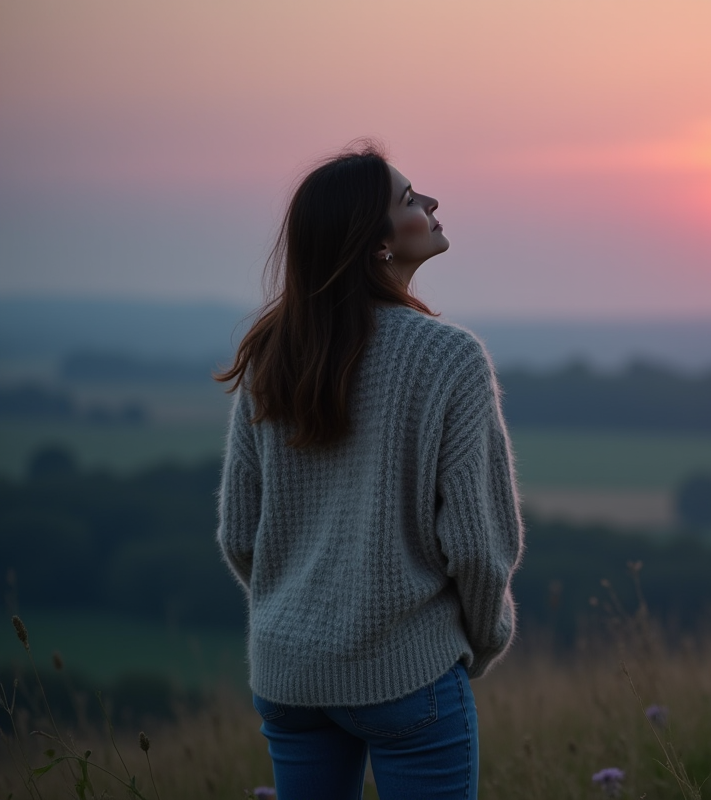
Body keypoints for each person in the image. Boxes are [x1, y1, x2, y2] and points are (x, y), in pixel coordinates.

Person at [215, 142, 524, 799]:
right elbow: (478, 543)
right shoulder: (450, 357)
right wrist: (482, 642)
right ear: (374, 241)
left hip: (290, 678)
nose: (431, 204)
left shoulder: (274, 354)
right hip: (408, 673)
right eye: (410, 199)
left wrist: (302, 617)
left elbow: (241, 534)